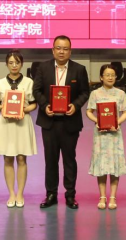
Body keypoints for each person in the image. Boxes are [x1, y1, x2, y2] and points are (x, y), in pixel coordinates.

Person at [32, 35, 90, 209]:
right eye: (58, 48)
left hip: (70, 122)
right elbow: (36, 90)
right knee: (50, 160)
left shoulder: (79, 69)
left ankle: (70, 195)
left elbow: (85, 92)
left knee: (69, 160)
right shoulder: (43, 68)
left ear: (70, 51)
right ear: (53, 50)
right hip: (49, 121)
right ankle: (51, 194)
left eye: (65, 49)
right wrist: (45, 106)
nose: (62, 52)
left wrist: (75, 105)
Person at [0, 50, 38, 208]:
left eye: (17, 62)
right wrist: (4, 108)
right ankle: (11, 193)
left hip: (22, 123)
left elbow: (34, 104)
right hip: (6, 124)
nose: (14, 66)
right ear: (6, 64)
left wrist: (24, 110)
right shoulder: (0, 83)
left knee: (21, 158)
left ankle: (20, 194)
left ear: (22, 64)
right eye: (11, 63)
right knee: (8, 159)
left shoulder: (29, 82)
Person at [86, 64, 126, 210]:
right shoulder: (95, 94)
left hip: (115, 134)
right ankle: (102, 197)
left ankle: (112, 197)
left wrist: (118, 122)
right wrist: (97, 121)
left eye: (112, 75)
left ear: (116, 77)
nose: (110, 77)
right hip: (100, 134)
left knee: (114, 165)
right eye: (107, 75)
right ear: (101, 77)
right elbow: (89, 111)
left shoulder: (121, 93)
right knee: (101, 165)